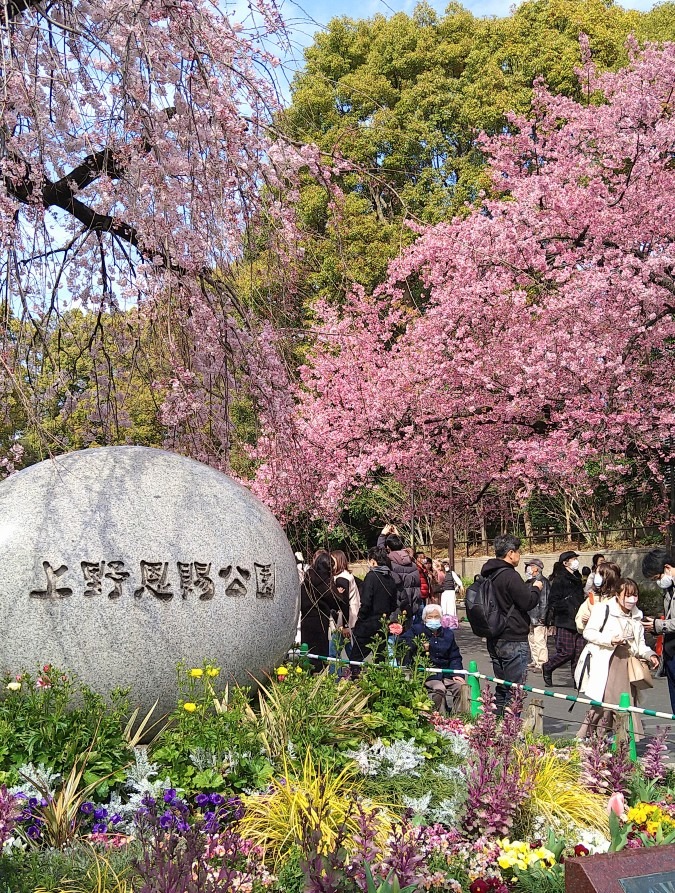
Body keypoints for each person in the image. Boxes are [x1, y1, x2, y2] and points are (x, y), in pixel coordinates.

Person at [576, 578, 658, 738]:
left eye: (635, 595)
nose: (631, 599)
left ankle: (621, 740)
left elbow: (640, 645)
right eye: (627, 595)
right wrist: (610, 640)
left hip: (627, 665)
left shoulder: (637, 616)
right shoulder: (603, 609)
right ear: (617, 595)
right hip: (606, 662)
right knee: (606, 702)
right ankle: (593, 737)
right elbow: (588, 632)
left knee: (625, 702)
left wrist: (651, 655)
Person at [479, 534, 542, 715]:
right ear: (510, 553)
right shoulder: (510, 576)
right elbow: (527, 602)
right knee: (515, 690)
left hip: (494, 634)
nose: (519, 555)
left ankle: (495, 725)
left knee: (502, 687)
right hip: (513, 636)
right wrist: (536, 589)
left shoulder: (488, 574)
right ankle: (509, 729)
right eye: (518, 551)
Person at [401, 603, 466, 714]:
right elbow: (404, 644)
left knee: (461, 687)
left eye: (436, 617)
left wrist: (458, 674)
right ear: (424, 619)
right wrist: (419, 646)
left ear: (441, 618)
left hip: (446, 673)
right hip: (428, 674)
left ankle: (459, 716)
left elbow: (455, 656)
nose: (433, 620)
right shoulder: (417, 630)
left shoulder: (448, 634)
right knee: (439, 688)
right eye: (429, 617)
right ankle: (438, 716)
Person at [541, 551, 586, 688]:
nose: (575, 561)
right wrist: (565, 608)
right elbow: (553, 601)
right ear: (565, 563)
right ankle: (548, 667)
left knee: (579, 652)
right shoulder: (559, 579)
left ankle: (577, 680)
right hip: (564, 620)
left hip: (579, 621)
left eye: (576, 559)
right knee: (566, 652)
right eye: (573, 559)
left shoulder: (578, 578)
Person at [300, 551, 349, 672]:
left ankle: (307, 673)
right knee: (320, 652)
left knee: (307, 650)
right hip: (320, 620)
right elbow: (337, 603)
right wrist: (340, 594)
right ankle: (318, 674)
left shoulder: (307, 579)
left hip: (306, 619)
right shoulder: (325, 583)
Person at [351, 546, 399, 665]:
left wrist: (361, 618)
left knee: (356, 657)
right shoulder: (390, 578)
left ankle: (354, 678)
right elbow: (394, 603)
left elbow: (366, 601)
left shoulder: (371, 576)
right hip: (383, 623)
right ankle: (378, 680)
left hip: (368, 622)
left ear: (373, 561)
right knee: (380, 657)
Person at [641, 549, 675, 712]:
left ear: (667, 567)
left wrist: (658, 625)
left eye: (657, 578)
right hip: (670, 652)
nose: (658, 582)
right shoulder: (669, 589)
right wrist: (655, 627)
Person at [377, 524, 421, 627]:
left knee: (394, 637)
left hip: (396, 606)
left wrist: (382, 535)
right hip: (412, 605)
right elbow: (403, 551)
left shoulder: (389, 562)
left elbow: (380, 553)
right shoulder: (412, 562)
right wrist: (397, 536)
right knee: (410, 636)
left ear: (388, 547)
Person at [575, 561, 621, 632]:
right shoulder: (592, 597)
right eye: (596, 573)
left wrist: (593, 620)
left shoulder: (619, 598)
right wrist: (585, 622)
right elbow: (579, 619)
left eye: (600, 574)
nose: (596, 576)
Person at [524, 558, 550, 671]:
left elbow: (544, 600)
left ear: (535, 568)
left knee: (540, 640)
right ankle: (535, 660)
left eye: (530, 566)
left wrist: (542, 617)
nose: (527, 569)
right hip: (530, 615)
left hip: (538, 616)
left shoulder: (543, 582)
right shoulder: (530, 582)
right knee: (532, 639)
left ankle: (542, 663)